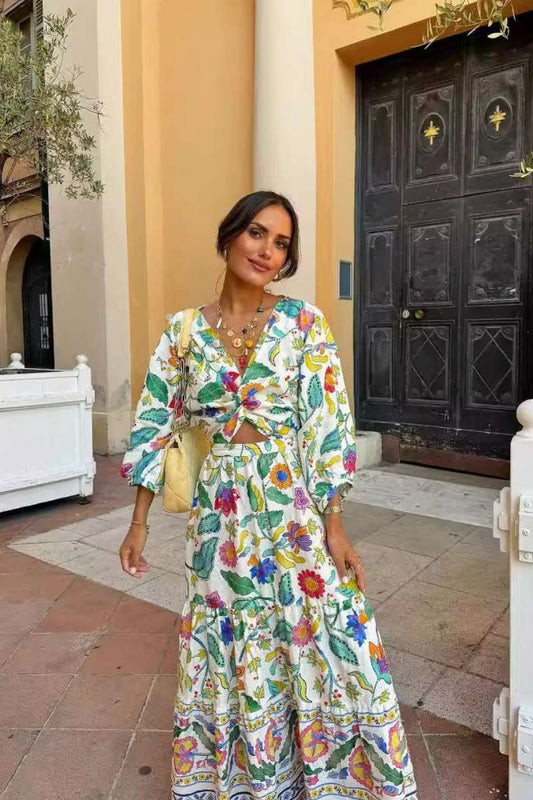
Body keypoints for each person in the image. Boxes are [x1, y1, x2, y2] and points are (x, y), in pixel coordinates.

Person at [119, 191, 417, 799]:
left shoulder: (304, 324)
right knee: (231, 639)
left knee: (336, 631)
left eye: (281, 243)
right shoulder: (182, 333)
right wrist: (139, 522)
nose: (267, 251)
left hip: (292, 507)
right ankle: (249, 780)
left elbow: (329, 421)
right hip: (219, 520)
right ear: (229, 236)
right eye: (258, 234)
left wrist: (335, 522)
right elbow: (155, 424)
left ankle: (348, 781)